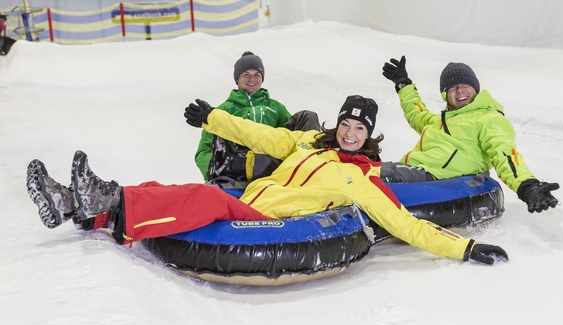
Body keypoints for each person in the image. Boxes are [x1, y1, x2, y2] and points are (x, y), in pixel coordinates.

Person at [26, 95, 508, 265]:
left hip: (268, 216)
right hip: (254, 197)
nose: (349, 131)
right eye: (345, 123)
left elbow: (406, 225)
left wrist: (463, 249)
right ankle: (77, 203)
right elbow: (261, 133)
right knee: (175, 188)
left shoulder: (358, 180)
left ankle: (101, 198)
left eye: (358, 128)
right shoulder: (310, 144)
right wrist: (212, 118)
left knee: (200, 197)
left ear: (369, 136)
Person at [381, 56, 560, 214]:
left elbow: (503, 151)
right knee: (364, 166)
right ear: (445, 94)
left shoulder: (488, 118)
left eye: (465, 85)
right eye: (452, 88)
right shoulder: (440, 121)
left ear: (475, 88)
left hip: (437, 177)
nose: (460, 91)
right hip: (415, 171)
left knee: (378, 173)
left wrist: (526, 185)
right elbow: (416, 114)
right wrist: (403, 84)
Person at [195, 51, 320, 185]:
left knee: (308, 116)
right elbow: (204, 151)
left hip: (274, 161)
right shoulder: (223, 110)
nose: (252, 79)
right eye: (246, 74)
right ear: (237, 78)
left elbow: (293, 138)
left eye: (257, 75)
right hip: (240, 166)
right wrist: (213, 170)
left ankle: (313, 164)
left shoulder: (276, 107)